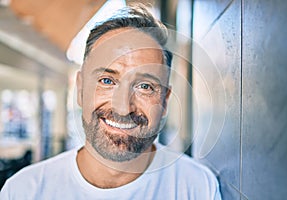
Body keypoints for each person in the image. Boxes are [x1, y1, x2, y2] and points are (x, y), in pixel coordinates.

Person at [0, 5, 221, 200]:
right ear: (80, 89)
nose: (123, 108)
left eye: (145, 86)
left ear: (164, 101)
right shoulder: (23, 192)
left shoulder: (198, 188)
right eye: (107, 81)